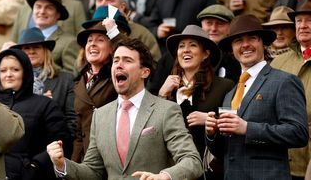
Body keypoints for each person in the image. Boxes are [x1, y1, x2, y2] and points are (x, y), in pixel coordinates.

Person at [47, 38, 203, 180]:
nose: (119, 65)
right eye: (116, 60)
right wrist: (62, 164)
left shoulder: (166, 110)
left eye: (127, 60)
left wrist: (165, 176)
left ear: (145, 72)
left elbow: (192, 161)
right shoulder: (100, 115)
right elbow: (93, 171)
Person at [205, 14, 309, 179]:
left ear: (263, 43)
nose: (245, 45)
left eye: (252, 38)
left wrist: (247, 128)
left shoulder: (284, 81)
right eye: (238, 41)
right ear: (232, 49)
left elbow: (298, 133)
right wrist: (212, 134)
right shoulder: (231, 93)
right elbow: (225, 150)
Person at [159, 25, 234, 179]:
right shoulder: (168, 88)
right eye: (181, 46)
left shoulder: (225, 86)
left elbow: (233, 126)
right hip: (171, 170)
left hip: (208, 170)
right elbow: (154, 127)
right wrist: (161, 95)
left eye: (192, 45)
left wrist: (210, 120)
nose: (185, 50)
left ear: (205, 54)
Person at [0, 49, 71, 180]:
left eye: (15, 70)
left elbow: (62, 142)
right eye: (3, 70)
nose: (9, 74)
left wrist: (35, 166)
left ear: (26, 73)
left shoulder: (45, 105)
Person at [10, 27, 77, 140]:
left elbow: (72, 120)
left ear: (45, 51)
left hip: (54, 146)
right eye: (26, 48)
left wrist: (63, 145)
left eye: (36, 47)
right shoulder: (12, 81)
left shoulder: (66, 80)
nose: (31, 51)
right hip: (20, 146)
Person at [270, 0, 311, 180]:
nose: (303, 26)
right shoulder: (279, 61)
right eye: (299, 21)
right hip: (281, 159)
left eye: (309, 20)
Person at [71, 21, 118, 162]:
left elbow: (141, 59)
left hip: (112, 155)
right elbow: (79, 134)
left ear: (112, 48)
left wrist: (114, 34)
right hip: (86, 156)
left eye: (100, 40)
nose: (92, 44)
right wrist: (75, 166)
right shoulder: (79, 81)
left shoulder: (118, 77)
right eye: (89, 40)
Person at [87, 0, 161, 62]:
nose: (103, 4)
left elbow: (154, 64)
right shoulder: (87, 32)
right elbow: (79, 65)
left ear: (122, 7)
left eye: (110, 0)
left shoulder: (141, 33)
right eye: (99, 0)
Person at [146, 0, 215, 52]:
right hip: (165, 54)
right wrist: (157, 31)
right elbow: (151, 24)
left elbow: (211, 27)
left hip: (194, 53)